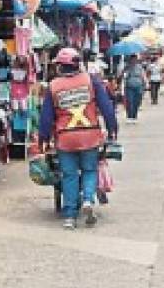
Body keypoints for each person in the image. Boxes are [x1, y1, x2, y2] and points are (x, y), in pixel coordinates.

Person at [39, 47, 119, 230]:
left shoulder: (53, 86)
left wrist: (42, 139)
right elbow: (107, 107)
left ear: (60, 66)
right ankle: (88, 200)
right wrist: (113, 128)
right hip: (90, 136)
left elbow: (46, 118)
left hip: (65, 139)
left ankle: (70, 216)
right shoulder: (92, 81)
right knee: (90, 170)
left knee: (69, 175)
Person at [122, 55, 146, 121]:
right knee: (130, 101)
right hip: (129, 86)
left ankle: (135, 115)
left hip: (139, 86)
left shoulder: (140, 67)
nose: (134, 60)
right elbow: (123, 75)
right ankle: (130, 116)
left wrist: (144, 84)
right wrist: (125, 71)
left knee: (137, 101)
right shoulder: (127, 67)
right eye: (132, 59)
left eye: (135, 59)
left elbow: (143, 76)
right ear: (130, 59)